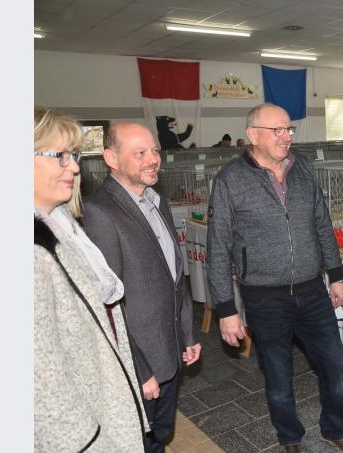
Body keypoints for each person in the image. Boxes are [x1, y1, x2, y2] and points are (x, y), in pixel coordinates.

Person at [206, 103, 343, 453]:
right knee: (278, 378)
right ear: (253, 135)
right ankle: (290, 438)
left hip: (312, 290)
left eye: (289, 129)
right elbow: (217, 248)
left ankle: (336, 429)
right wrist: (225, 308)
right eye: (277, 130)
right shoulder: (230, 180)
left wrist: (336, 274)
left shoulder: (303, 168)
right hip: (264, 297)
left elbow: (322, 223)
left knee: (336, 367)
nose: (286, 137)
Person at [82, 122, 200, 453]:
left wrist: (187, 334)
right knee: (140, 442)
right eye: (140, 153)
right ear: (111, 158)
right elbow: (107, 306)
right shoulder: (99, 212)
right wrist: (140, 370)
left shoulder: (156, 200)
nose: (152, 160)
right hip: (141, 362)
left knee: (160, 435)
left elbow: (176, 274)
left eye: (154, 151)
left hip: (169, 349)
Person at [34, 107, 147, 452]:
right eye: (61, 156)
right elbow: (41, 378)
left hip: (100, 397)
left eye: (74, 156)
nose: (74, 166)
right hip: (82, 433)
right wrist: (90, 442)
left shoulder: (62, 225)